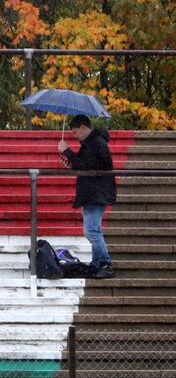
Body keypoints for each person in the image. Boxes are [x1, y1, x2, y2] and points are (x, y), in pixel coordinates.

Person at [58, 114, 116, 279]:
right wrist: (71, 162)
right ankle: (97, 263)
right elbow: (83, 165)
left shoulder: (95, 143)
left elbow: (87, 166)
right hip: (94, 192)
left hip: (96, 193)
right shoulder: (92, 143)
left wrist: (67, 151)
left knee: (91, 231)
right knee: (94, 229)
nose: (75, 136)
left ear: (83, 127)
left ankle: (105, 263)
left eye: (76, 132)